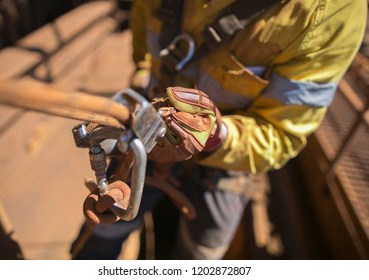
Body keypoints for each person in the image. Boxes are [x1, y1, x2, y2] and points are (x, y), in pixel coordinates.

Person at [71, 0, 367, 260]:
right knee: (101, 230)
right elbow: (144, 27)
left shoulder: (333, 11)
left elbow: (282, 133)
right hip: (148, 133)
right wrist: (143, 75)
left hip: (228, 159)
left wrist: (214, 136)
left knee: (201, 256)